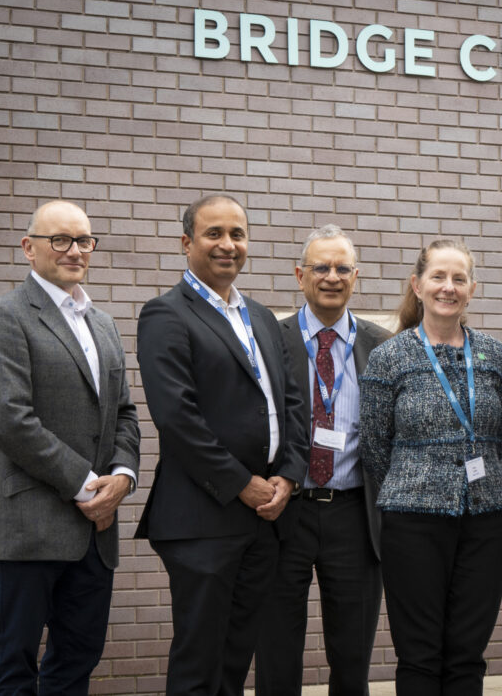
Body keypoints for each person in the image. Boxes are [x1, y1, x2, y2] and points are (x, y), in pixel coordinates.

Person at [135, 194, 309, 695]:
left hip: (264, 519)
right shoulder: (165, 315)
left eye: (237, 234)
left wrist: (288, 477)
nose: (227, 244)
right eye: (214, 234)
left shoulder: (262, 318)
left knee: (235, 663)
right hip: (203, 521)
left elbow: (292, 405)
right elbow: (176, 417)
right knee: (199, 666)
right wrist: (242, 485)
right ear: (187, 242)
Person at [0, 200, 140, 694]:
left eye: (83, 240)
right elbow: (9, 420)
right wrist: (89, 487)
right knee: (15, 665)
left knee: (77, 661)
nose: (74, 251)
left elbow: (124, 415)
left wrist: (123, 478)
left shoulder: (102, 324)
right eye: (60, 240)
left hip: (95, 531)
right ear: (29, 248)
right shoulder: (2, 316)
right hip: (31, 525)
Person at [359, 239, 502, 695]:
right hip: (412, 519)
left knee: (467, 653)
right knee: (420, 654)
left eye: (459, 278)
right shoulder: (390, 356)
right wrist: (417, 483)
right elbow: (373, 445)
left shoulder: (494, 356)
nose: (449, 287)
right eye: (438, 277)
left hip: (486, 517)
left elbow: (498, 438)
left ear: (472, 289)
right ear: (418, 285)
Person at [254, 225, 391, 695]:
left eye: (342, 268)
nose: (331, 277)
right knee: (275, 652)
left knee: (353, 658)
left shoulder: (384, 346)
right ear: (299, 275)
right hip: (283, 513)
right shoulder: (268, 339)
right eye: (320, 267)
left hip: (356, 514)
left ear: (356, 277)